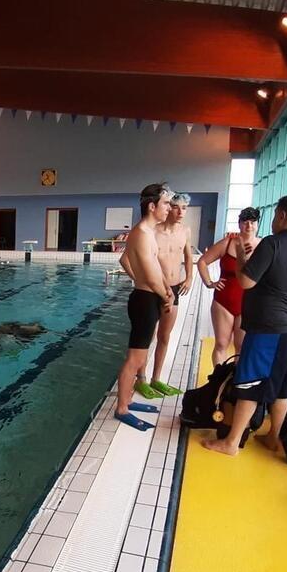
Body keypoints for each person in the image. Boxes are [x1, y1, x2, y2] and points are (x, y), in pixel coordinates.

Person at [202, 196, 287, 456]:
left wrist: (243, 258)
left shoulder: (272, 244)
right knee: (283, 384)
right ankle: (273, 437)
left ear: (280, 215)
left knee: (249, 382)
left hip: (267, 328)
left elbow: (245, 282)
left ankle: (231, 443)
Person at [114, 183, 175, 431]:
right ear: (152, 206)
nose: (169, 209)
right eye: (166, 204)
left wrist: (165, 289)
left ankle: (127, 400)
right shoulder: (141, 232)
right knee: (134, 358)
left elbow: (154, 271)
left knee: (141, 354)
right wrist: (166, 296)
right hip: (144, 300)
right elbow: (149, 276)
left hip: (148, 298)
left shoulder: (148, 232)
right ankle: (121, 408)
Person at [137, 192, 195, 399]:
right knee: (148, 336)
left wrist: (189, 278)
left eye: (185, 208)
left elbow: (189, 257)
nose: (181, 212)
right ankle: (141, 378)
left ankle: (156, 378)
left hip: (175, 288)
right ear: (169, 208)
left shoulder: (185, 231)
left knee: (164, 336)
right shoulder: (153, 231)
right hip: (155, 290)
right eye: (177, 207)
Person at [197, 207, 263, 366]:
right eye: (245, 222)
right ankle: (218, 382)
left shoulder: (263, 246)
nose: (249, 226)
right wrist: (209, 282)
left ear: (257, 224)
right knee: (221, 344)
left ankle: (233, 384)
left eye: (253, 222)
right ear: (239, 224)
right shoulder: (227, 243)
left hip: (248, 302)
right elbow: (202, 262)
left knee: (241, 346)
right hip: (223, 301)